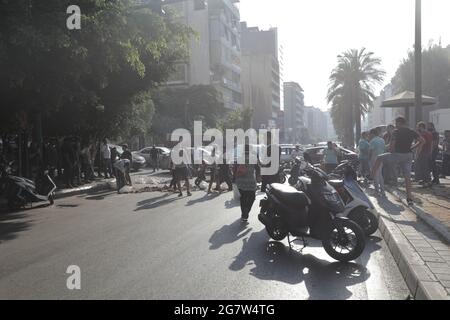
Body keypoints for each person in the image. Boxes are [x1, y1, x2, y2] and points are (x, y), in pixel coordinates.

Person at [371, 117, 425, 206]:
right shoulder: (412, 131)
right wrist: (414, 147)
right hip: (408, 155)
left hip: (398, 155)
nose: (395, 125)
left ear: (400, 123)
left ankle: (371, 177)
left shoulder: (395, 132)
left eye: (396, 123)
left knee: (379, 158)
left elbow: (392, 147)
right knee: (407, 177)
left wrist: (390, 151)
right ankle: (409, 198)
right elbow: (422, 141)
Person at [234, 144, 261, 223]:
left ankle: (244, 214)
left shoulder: (239, 158)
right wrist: (259, 177)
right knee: (251, 197)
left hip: (240, 182)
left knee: (243, 198)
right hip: (250, 181)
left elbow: (235, 170)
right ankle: (246, 212)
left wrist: (234, 180)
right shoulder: (253, 158)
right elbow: (258, 168)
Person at [369, 128, 386, 197]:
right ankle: (382, 191)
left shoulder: (372, 141)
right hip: (381, 157)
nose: (369, 136)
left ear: (373, 134)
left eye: (370, 134)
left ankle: (377, 191)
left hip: (374, 158)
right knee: (380, 174)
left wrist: (369, 159)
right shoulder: (382, 140)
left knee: (375, 174)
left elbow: (370, 151)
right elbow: (384, 149)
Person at [415, 122, 433, 187]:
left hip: (423, 152)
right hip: (427, 152)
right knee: (425, 167)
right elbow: (431, 144)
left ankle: (427, 181)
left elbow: (420, 144)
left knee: (423, 167)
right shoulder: (429, 133)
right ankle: (425, 180)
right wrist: (430, 152)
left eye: (418, 127)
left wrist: (417, 153)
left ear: (421, 127)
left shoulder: (423, 134)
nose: (418, 128)